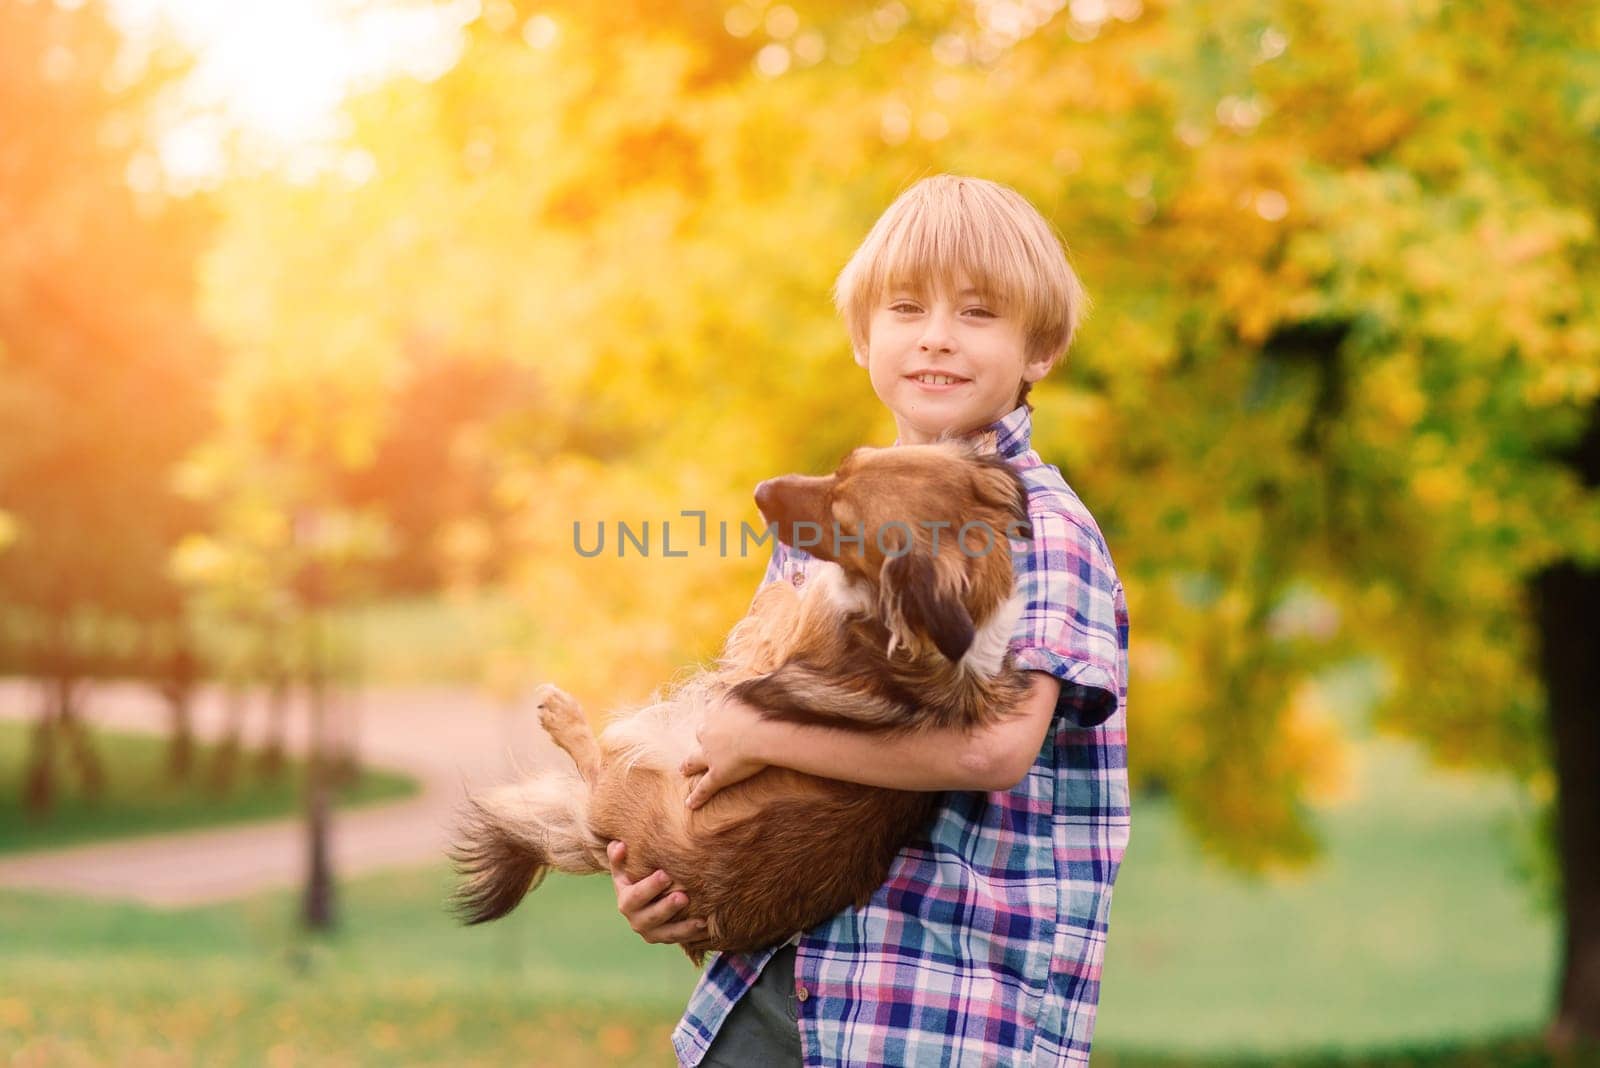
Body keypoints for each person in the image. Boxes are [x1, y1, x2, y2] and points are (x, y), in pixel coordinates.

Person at [608, 174, 1130, 1066]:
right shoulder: (826, 528)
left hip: (938, 1006)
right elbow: (733, 726)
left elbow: (995, 750)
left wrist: (760, 734)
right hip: (775, 986)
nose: (936, 336)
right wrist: (664, 858)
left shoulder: (1039, 527)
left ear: (1038, 349)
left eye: (977, 313)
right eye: (904, 307)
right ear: (862, 336)